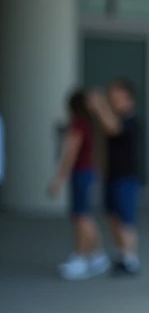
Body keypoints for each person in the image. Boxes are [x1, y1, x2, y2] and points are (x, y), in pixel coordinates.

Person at [47, 90, 110, 280]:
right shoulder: (91, 123)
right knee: (83, 215)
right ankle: (97, 256)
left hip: (81, 173)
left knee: (80, 216)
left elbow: (70, 154)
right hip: (87, 171)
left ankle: (81, 257)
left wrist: (58, 179)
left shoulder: (79, 124)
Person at [88, 79, 142, 276]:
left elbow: (112, 127)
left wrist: (99, 105)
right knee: (113, 216)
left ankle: (130, 259)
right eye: (111, 99)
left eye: (117, 99)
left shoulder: (130, 121)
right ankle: (121, 253)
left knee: (126, 219)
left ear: (129, 100)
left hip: (126, 177)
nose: (112, 103)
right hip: (111, 176)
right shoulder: (113, 118)